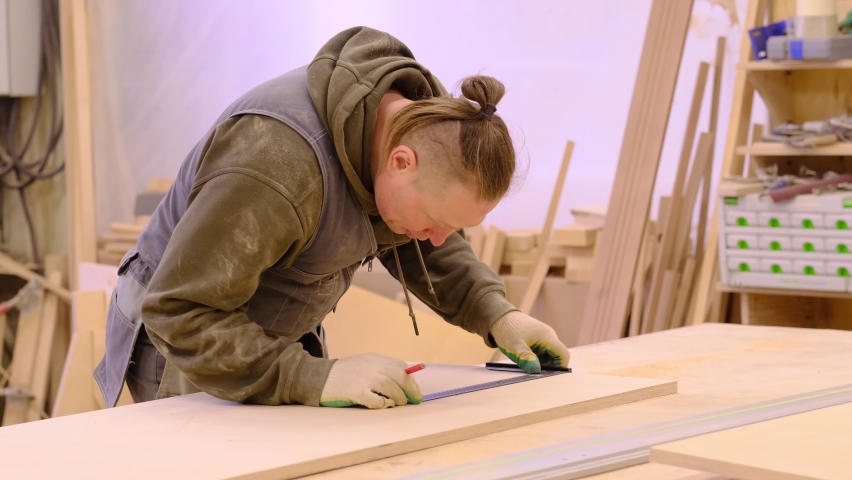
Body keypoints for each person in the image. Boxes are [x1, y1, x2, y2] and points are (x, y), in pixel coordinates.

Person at [94, 26, 570, 410]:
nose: (439, 239)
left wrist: (495, 312)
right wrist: (308, 376)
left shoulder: (422, 130)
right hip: (188, 340)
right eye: (433, 221)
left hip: (271, 332)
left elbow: (422, 242)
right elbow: (180, 312)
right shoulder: (274, 164)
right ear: (401, 162)